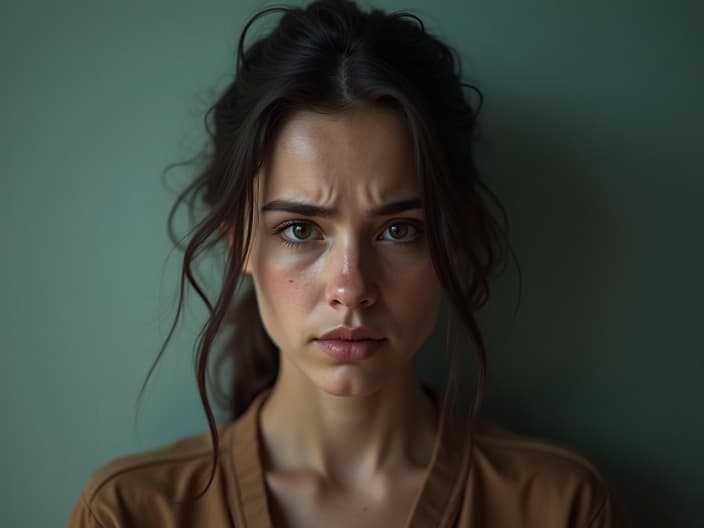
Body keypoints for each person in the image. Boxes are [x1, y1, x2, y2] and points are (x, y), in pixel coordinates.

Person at [68, 0, 624, 526]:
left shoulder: (558, 506)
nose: (351, 288)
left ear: (455, 239)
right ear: (238, 242)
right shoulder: (130, 513)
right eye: (300, 229)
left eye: (399, 229)